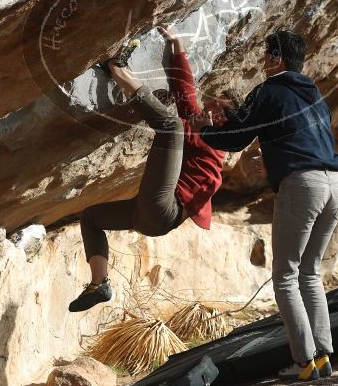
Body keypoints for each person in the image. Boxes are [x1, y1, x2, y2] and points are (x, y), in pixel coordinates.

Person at [196, 29, 338, 381]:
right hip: (334, 186)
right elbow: (307, 138)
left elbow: (236, 136)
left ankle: (304, 362)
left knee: (285, 276)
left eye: (267, 54)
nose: (264, 61)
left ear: (277, 59)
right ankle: (323, 358)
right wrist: (276, 158)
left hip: (303, 187)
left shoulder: (269, 89)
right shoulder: (314, 94)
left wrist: (203, 130)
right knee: (310, 273)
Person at [68, 27, 239, 312]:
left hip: (165, 209)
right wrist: (175, 43)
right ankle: (99, 284)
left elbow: (178, 128)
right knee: (91, 217)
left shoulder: (213, 142)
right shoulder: (198, 119)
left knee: (170, 125)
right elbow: (184, 87)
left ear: (223, 123)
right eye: (213, 104)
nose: (209, 110)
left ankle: (117, 68)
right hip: (146, 217)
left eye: (217, 112)